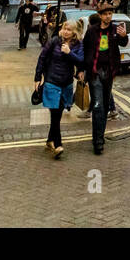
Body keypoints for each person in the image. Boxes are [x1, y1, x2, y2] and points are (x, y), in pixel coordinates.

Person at [80, 3, 128, 156]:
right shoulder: (92, 31)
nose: (108, 16)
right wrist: (81, 70)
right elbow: (84, 50)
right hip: (95, 72)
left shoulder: (115, 30)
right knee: (98, 106)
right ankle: (98, 141)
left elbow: (123, 43)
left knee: (105, 105)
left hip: (109, 72)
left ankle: (100, 134)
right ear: (100, 16)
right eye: (105, 14)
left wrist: (124, 36)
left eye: (110, 14)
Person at [34, 20, 84, 159]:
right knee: (55, 113)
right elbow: (42, 57)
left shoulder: (78, 45)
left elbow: (81, 61)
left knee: (58, 113)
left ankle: (50, 140)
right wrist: (37, 77)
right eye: (65, 28)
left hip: (66, 83)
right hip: (52, 81)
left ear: (74, 32)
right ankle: (58, 144)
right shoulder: (55, 41)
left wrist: (69, 53)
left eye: (69, 29)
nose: (66, 31)